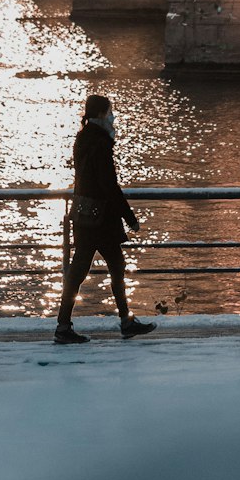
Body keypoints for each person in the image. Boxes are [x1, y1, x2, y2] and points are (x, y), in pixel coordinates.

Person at [55, 94, 155, 344]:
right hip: (101, 220)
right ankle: (124, 322)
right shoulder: (100, 143)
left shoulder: (83, 139)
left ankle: (64, 325)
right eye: (110, 111)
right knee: (115, 268)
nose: (112, 116)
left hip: (84, 215)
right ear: (101, 114)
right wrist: (129, 217)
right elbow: (109, 186)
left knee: (80, 271)